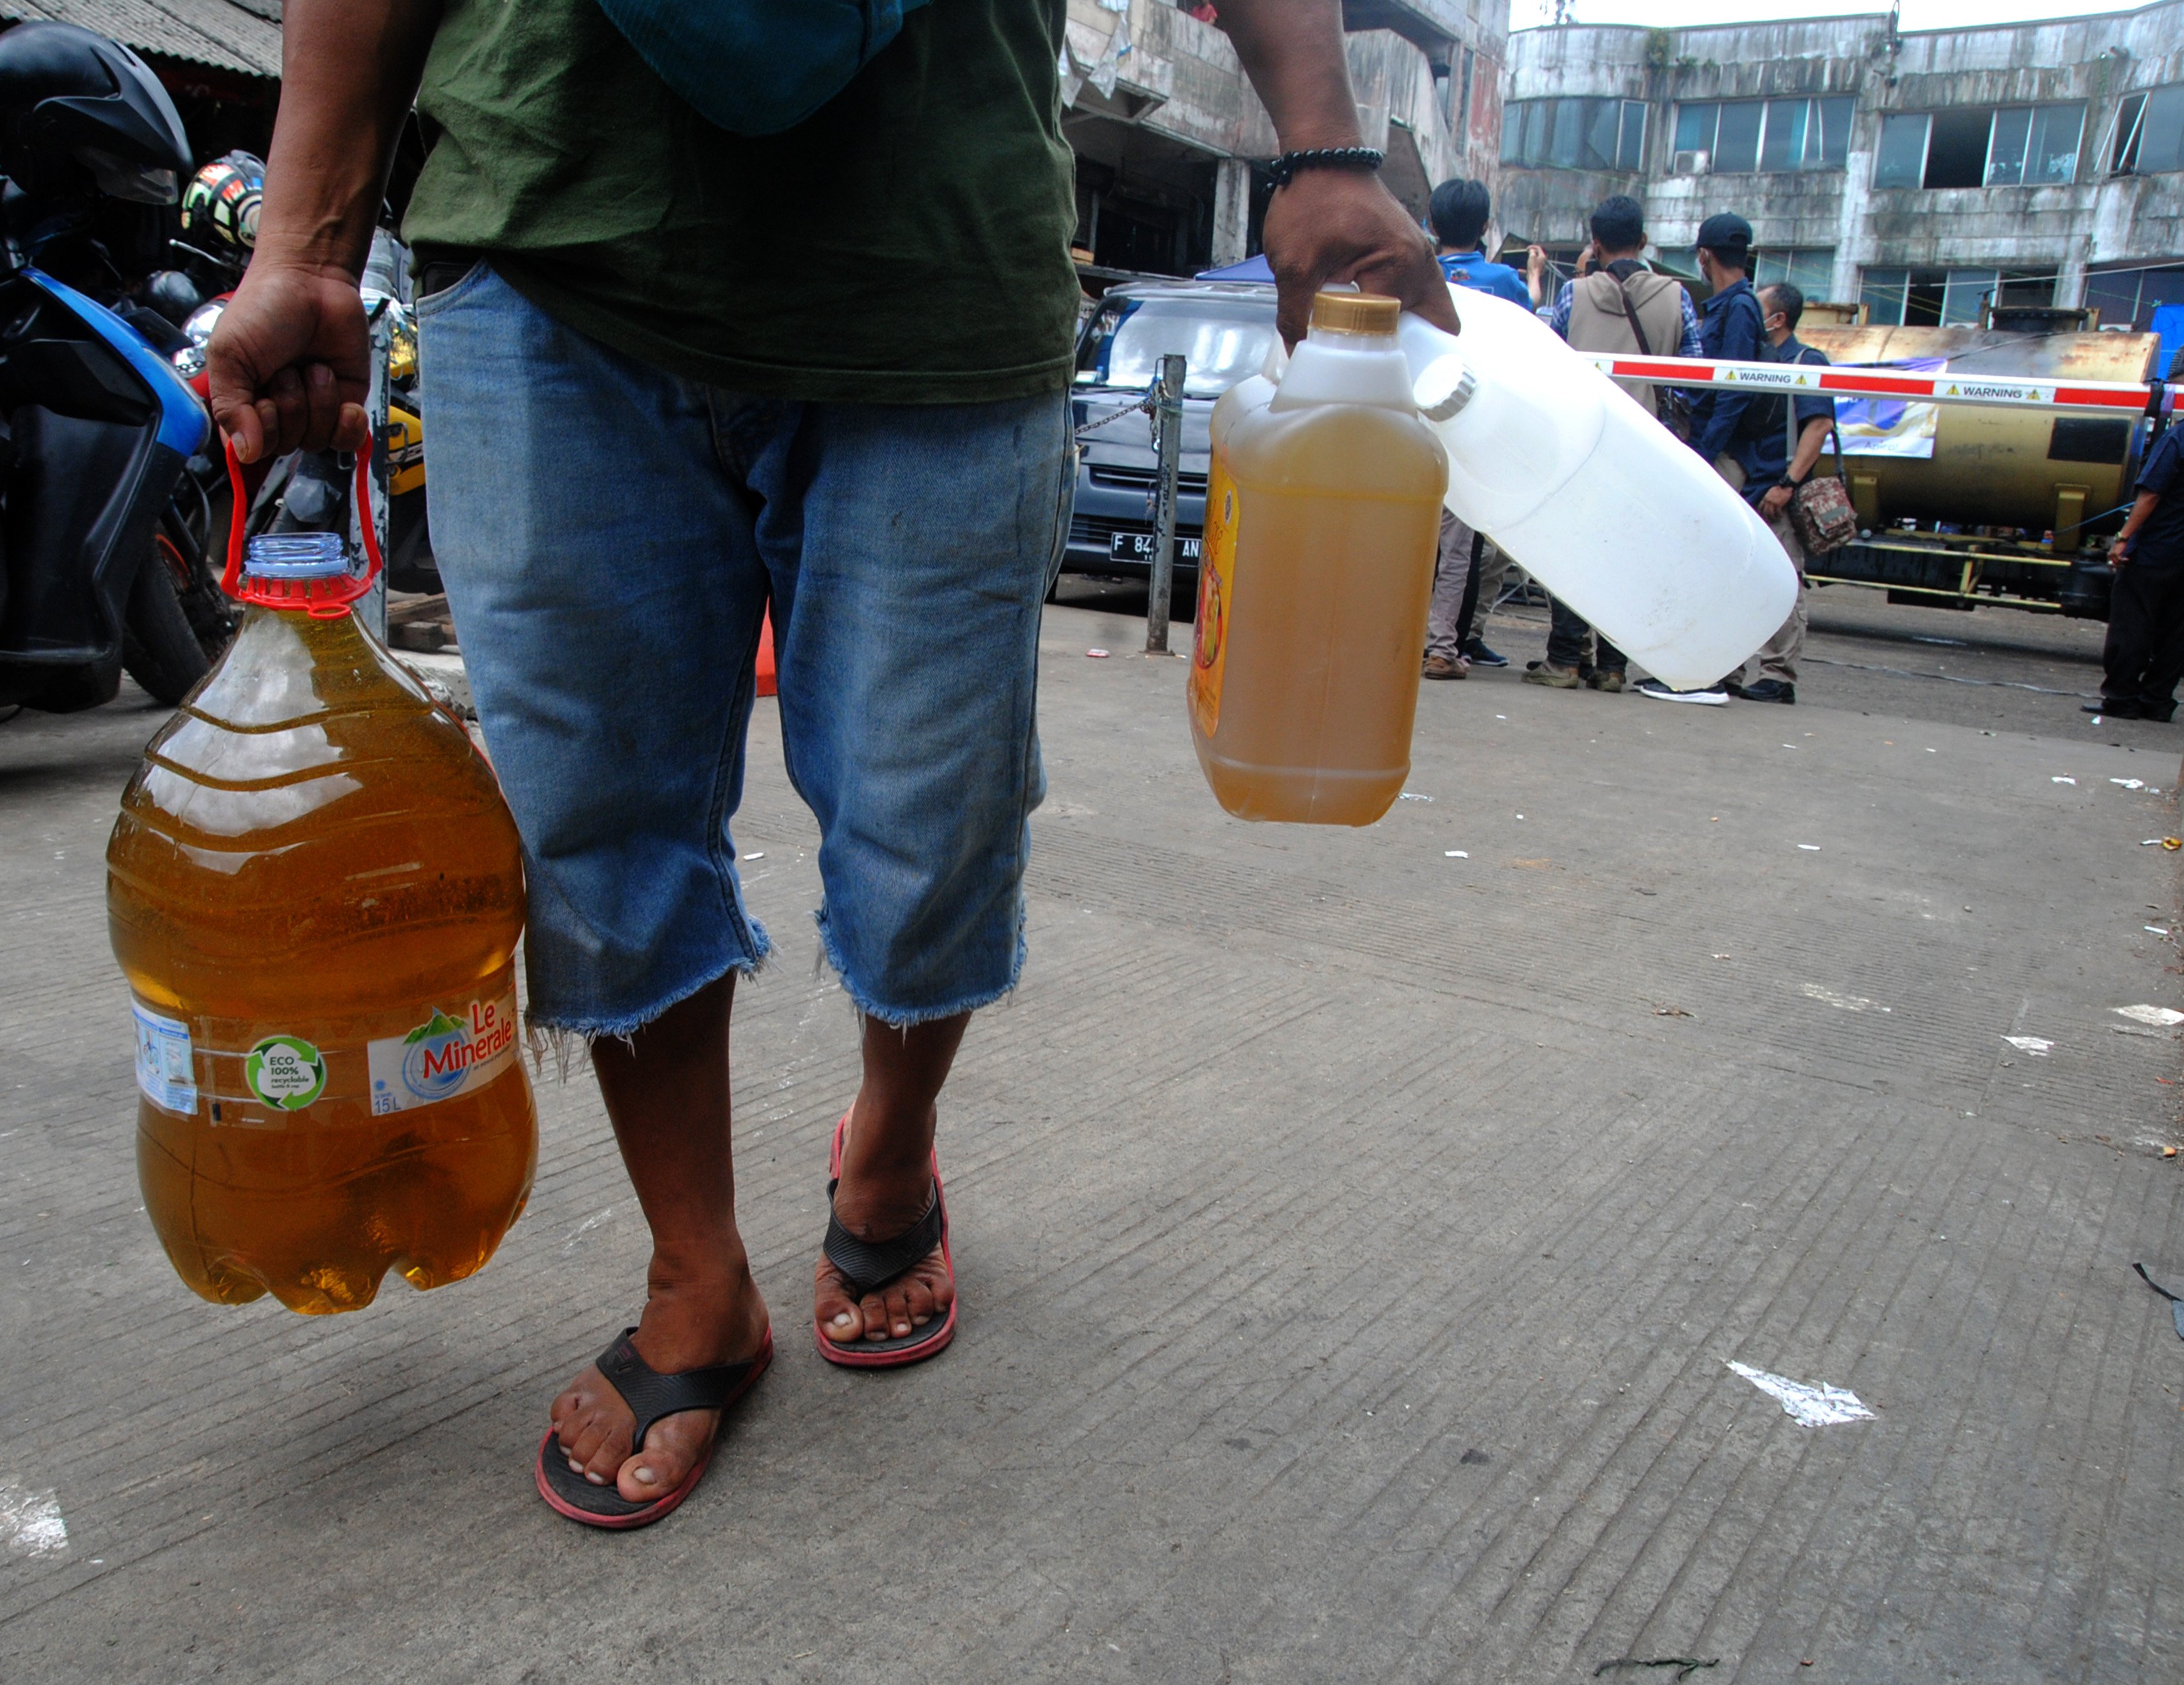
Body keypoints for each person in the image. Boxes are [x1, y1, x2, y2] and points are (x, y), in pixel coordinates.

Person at [204, 0, 1458, 1531]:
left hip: (932, 260)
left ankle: (891, 1149)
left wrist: (1323, 141)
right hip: (553, 250)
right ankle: (695, 1274)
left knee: (935, 818)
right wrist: (308, 246)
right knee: (594, 820)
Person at [1524, 195, 1703, 694]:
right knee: (1633, 556)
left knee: (1572, 551)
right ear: (1643, 242)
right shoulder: (1677, 296)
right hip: (1648, 448)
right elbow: (1694, 374)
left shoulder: (1574, 295)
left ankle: (1564, 660)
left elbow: (1547, 362)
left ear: (1595, 243)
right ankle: (1613, 666)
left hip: (1584, 444)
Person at [1654, 279, 1831, 707]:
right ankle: (1730, 668)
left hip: (1777, 487)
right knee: (1737, 579)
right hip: (1751, 483)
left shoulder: (1805, 361)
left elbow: (1819, 425)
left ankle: (1778, 674)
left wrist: (1788, 483)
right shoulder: (1756, 359)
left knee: (1784, 580)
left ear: (1778, 318)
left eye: (1760, 309)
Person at [1634, 211, 1767, 705]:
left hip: (1724, 454)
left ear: (1704, 255)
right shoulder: (1737, 306)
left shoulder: (1737, 310)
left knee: (1708, 561)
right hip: (1723, 449)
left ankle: (1703, 674)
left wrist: (1705, 453)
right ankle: (1720, 670)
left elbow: (1731, 389)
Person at [1421, 179, 1527, 680]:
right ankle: (1443, 646)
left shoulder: (1413, 275)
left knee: (1408, 537)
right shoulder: (1507, 283)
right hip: (1473, 428)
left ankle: (1392, 639)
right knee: (1458, 545)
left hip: (1415, 421)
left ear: (1432, 224)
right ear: (1485, 228)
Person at [2097, 424, 2184, 720]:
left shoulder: (2178, 438)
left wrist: (2123, 538)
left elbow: (2151, 494)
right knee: (2177, 633)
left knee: (2132, 624)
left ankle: (2122, 698)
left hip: (2157, 551)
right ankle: (2157, 701)